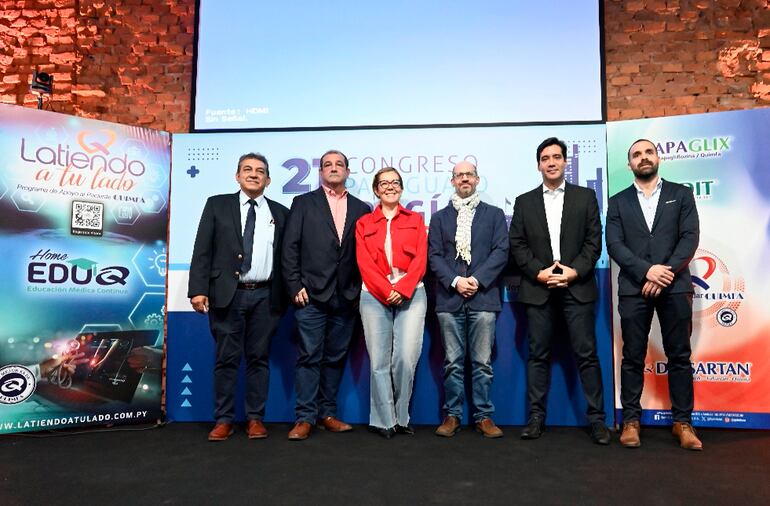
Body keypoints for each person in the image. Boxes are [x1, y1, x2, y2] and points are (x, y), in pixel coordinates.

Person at [509, 137, 610, 445]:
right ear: (538, 165)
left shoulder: (586, 197)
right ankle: (535, 419)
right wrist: (539, 273)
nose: (551, 162)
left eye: (556, 157)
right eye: (545, 158)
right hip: (538, 289)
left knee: (587, 356)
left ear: (565, 161)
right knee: (537, 356)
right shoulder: (524, 202)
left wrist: (573, 271)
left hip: (576, 287)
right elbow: (517, 244)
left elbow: (594, 241)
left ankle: (598, 421)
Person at [606, 138, 702, 451]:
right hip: (634, 288)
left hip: (675, 286)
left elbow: (689, 238)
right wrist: (647, 271)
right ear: (629, 164)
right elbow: (615, 244)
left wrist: (665, 272)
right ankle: (631, 421)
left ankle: (682, 422)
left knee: (679, 355)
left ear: (658, 158)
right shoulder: (618, 202)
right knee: (633, 356)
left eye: (649, 152)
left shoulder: (681, 194)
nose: (643, 157)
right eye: (637, 154)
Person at [188, 152, 289, 441]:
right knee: (226, 359)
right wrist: (197, 289)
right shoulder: (217, 205)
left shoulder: (281, 213)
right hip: (227, 295)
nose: (253, 174)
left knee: (259, 359)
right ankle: (223, 419)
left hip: (266, 296)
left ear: (268, 180)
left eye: (260, 171)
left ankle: (255, 418)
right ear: (237, 176)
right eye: (247, 169)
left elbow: (287, 257)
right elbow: (202, 249)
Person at [282, 149, 370, 441]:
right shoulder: (303, 203)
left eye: (339, 164)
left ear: (347, 171)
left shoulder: (362, 208)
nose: (334, 168)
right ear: (320, 172)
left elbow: (366, 254)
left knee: (335, 357)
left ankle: (327, 414)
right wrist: (294, 285)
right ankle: (304, 418)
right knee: (309, 356)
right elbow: (290, 247)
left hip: (346, 296)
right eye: (328, 165)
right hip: (310, 295)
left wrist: (358, 291)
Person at [428, 161, 509, 438]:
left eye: (469, 174)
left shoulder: (494, 215)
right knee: (452, 362)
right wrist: (456, 281)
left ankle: (483, 416)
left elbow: (501, 251)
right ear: (452, 181)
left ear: (477, 180)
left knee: (482, 363)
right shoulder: (439, 218)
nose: (464, 178)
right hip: (449, 298)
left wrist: (476, 280)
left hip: (483, 297)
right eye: (459, 175)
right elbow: (434, 256)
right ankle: (452, 415)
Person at [355, 167, 427, 439]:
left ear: (401, 188)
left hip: (412, 292)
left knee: (406, 357)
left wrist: (403, 288)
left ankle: (401, 416)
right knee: (379, 361)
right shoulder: (364, 223)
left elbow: (421, 259)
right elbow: (364, 263)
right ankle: (384, 420)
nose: (390, 187)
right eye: (384, 183)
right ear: (376, 189)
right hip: (374, 294)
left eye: (395, 182)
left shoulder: (416, 220)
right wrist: (387, 290)